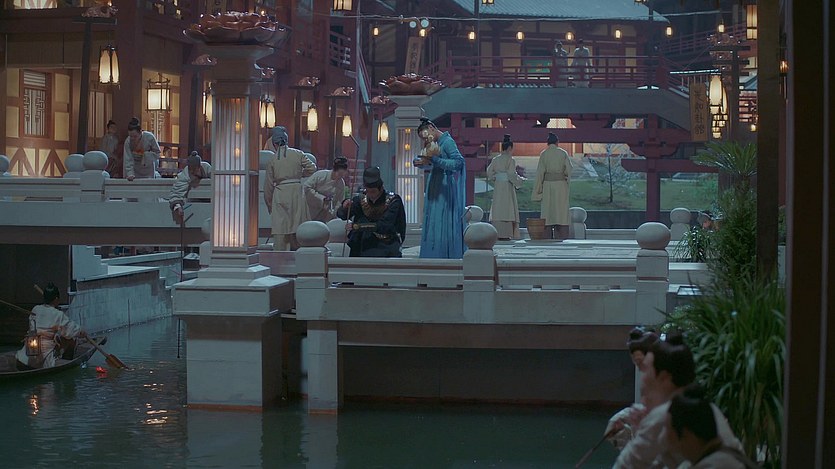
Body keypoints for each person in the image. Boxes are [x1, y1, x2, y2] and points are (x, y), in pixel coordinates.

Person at [613, 332, 743, 468]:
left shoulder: (666, 413)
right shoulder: (708, 407)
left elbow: (626, 465)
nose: (643, 377)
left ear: (664, 377)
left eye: (645, 369)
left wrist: (642, 428)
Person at [667, 385, 758, 469]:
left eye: (669, 431)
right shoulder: (722, 456)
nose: (666, 437)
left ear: (686, 435)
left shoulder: (716, 464)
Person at [413, 117, 466, 259]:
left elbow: (458, 162)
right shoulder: (435, 143)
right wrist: (422, 162)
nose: (426, 139)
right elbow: (432, 162)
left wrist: (435, 160)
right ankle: (433, 253)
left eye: (425, 136)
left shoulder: (447, 142)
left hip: (445, 185)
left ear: (431, 128)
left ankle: (444, 253)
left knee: (442, 219)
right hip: (435, 183)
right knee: (433, 220)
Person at [605, 327, 661, 450]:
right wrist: (621, 429)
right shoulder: (649, 383)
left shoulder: (666, 384)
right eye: (636, 363)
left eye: (641, 362)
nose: (640, 368)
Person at [263, 126, 317, 251]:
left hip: (280, 193)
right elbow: (312, 168)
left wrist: (269, 204)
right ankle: (299, 254)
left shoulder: (272, 159)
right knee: (298, 226)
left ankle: (280, 255)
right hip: (296, 192)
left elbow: (268, 185)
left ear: (274, 143)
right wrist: (300, 175)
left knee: (281, 229)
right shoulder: (298, 154)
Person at [337, 166, 406, 257]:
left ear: (381, 188)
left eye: (373, 192)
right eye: (368, 191)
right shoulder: (361, 199)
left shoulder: (393, 201)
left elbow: (385, 225)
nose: (370, 194)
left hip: (386, 244)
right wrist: (345, 207)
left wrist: (358, 226)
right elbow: (343, 215)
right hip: (362, 244)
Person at [16, 283, 87, 370]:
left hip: (28, 351)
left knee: (58, 338)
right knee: (71, 340)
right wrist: (80, 331)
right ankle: (64, 362)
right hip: (42, 354)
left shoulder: (36, 309)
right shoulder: (57, 314)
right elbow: (70, 330)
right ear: (56, 299)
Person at [532, 132, 571, 239]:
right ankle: (562, 236)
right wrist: (565, 180)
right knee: (561, 212)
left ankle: (547, 236)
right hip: (561, 185)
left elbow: (540, 173)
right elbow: (569, 170)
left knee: (548, 212)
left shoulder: (544, 154)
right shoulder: (563, 153)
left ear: (548, 143)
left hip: (548, 185)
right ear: (557, 142)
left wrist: (537, 191)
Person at [486, 134, 524, 240]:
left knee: (498, 207)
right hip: (507, 186)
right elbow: (511, 174)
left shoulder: (496, 159)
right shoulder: (510, 160)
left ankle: (497, 232)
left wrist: (495, 177)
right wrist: (519, 181)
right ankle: (506, 233)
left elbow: (489, 172)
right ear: (510, 148)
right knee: (507, 207)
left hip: (498, 186)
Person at [169, 151, 212, 224]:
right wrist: (178, 206)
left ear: (199, 167)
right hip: (194, 199)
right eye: (190, 169)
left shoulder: (207, 167)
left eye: (194, 169)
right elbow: (177, 190)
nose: (192, 171)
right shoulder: (185, 174)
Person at [304, 156, 349, 222]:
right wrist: (322, 198)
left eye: (342, 175)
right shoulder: (320, 175)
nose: (340, 176)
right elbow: (306, 187)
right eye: (339, 174)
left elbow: (339, 202)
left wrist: (335, 215)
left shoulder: (341, 183)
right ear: (334, 170)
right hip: (310, 209)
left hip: (326, 214)